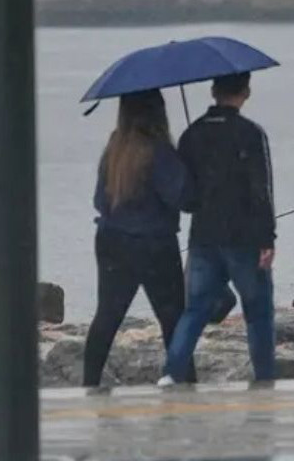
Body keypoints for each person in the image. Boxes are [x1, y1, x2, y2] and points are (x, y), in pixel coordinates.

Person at [161, 72, 277, 386]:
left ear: (213, 91)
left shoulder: (191, 135)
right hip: (246, 239)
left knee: (195, 310)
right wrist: (268, 239)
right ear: (246, 92)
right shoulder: (251, 134)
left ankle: (171, 373)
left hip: (203, 237)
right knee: (258, 313)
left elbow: (185, 198)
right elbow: (261, 190)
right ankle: (264, 378)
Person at [84, 90, 196, 388]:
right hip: (155, 245)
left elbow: (100, 200)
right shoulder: (159, 151)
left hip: (111, 240)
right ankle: (185, 381)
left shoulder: (115, 147)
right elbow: (184, 198)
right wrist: (191, 170)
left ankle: (89, 382)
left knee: (107, 316)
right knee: (173, 318)